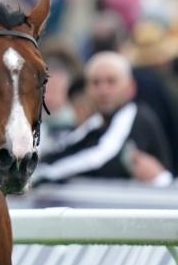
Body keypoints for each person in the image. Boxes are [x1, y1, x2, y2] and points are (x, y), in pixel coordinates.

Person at [35, 51, 172, 185]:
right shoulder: (97, 122)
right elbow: (66, 147)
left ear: (131, 87)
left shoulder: (134, 114)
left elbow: (101, 159)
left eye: (111, 82)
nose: (103, 91)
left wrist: (42, 174)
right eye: (96, 83)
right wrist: (34, 166)